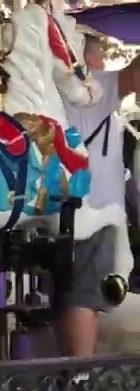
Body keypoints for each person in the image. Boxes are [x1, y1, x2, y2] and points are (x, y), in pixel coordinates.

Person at [59, 33, 140, 358]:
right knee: (85, 296)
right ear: (87, 60)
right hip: (96, 209)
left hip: (63, 206)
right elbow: (134, 73)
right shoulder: (91, 90)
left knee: (67, 295)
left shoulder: (57, 94)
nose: (105, 65)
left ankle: (60, 374)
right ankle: (79, 379)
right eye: (101, 58)